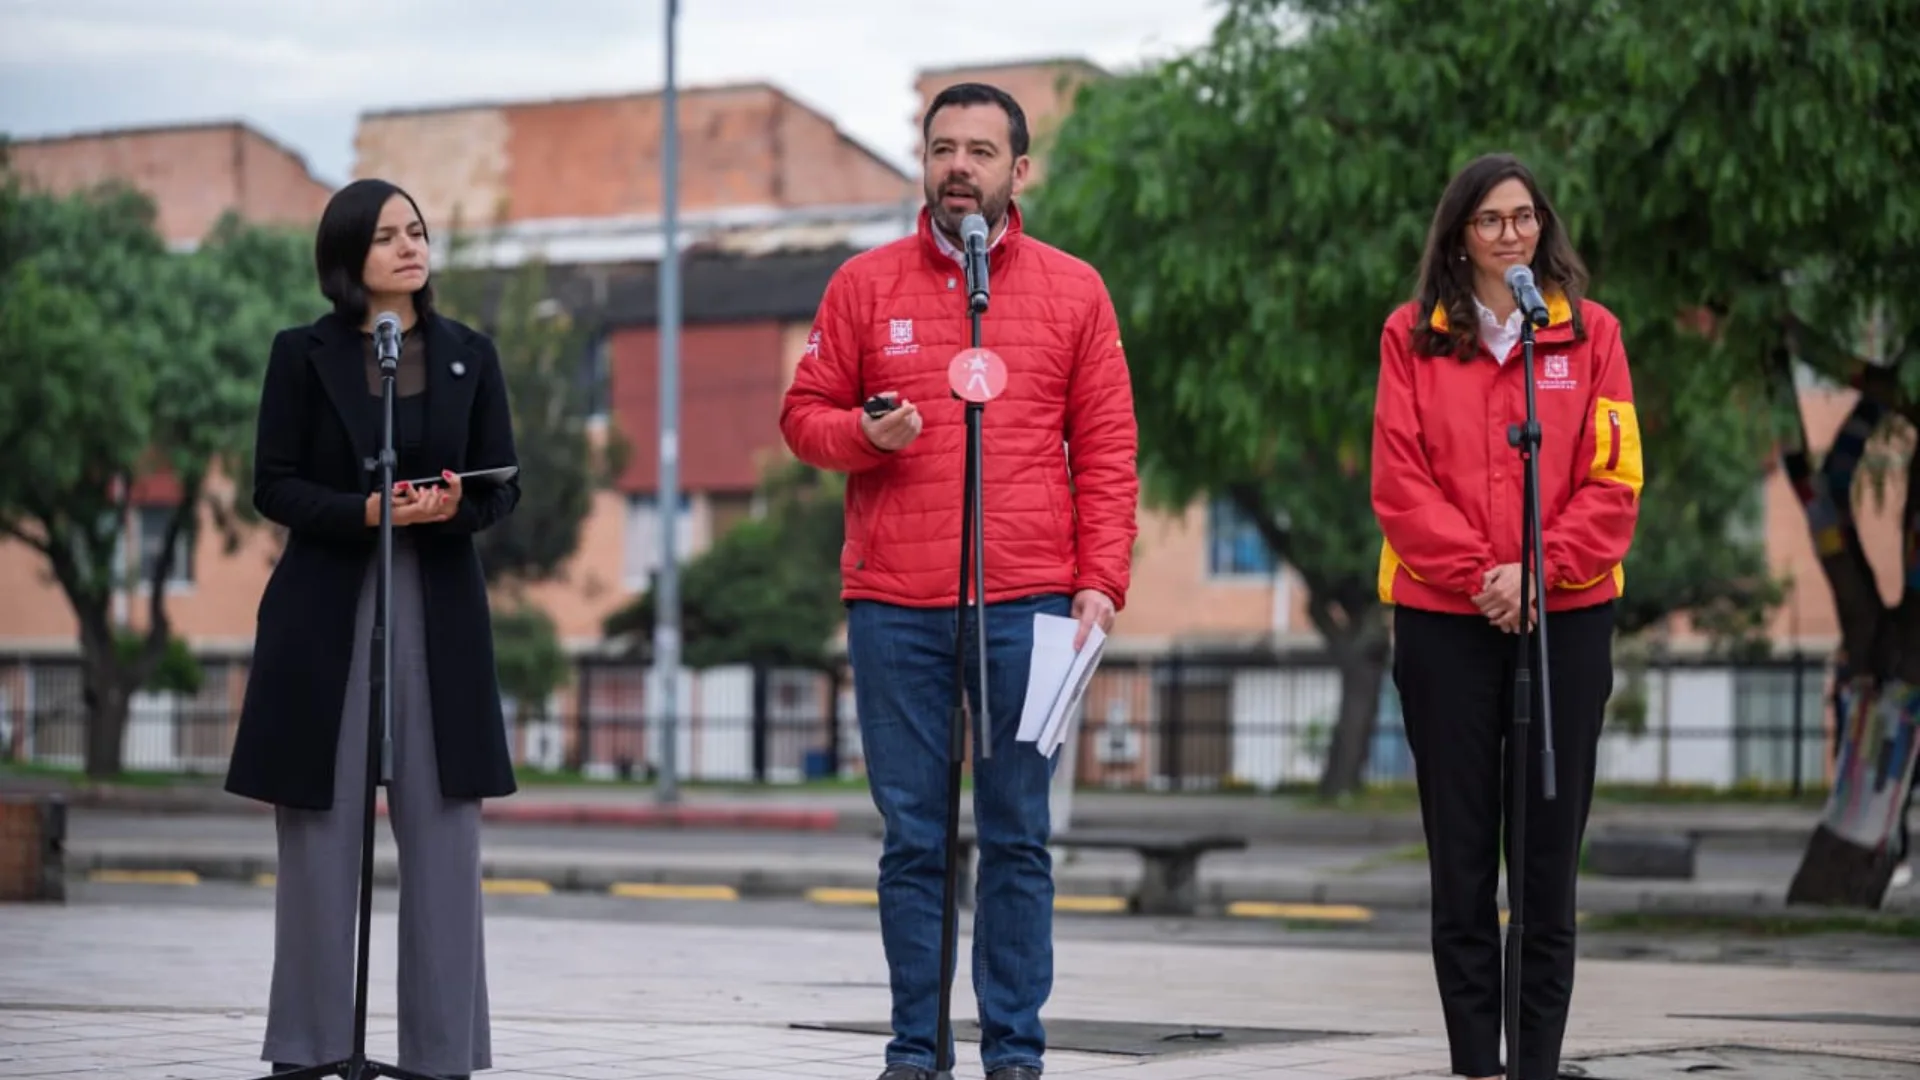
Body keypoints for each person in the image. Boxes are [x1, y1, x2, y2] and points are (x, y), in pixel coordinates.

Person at [778, 82, 1139, 1080]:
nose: (960, 168)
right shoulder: (863, 286)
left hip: (1032, 609)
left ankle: (1015, 1053)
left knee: (1019, 838)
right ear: (924, 164)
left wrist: (1101, 580)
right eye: (944, 149)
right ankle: (914, 1051)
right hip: (896, 608)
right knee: (915, 842)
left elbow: (1108, 449)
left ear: (1019, 171)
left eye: (982, 151)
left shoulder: (1075, 291)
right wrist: (864, 434)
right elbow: (802, 415)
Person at [224, 178, 522, 1079]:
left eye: (418, 232)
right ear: (347, 256)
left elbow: (501, 483)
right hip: (327, 606)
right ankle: (309, 1050)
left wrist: (449, 505)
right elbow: (270, 484)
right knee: (317, 832)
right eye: (388, 234)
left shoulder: (470, 353)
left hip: (436, 602)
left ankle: (441, 1056)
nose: (409, 247)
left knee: (444, 834)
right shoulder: (300, 354)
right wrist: (363, 510)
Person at [1370, 152, 1642, 1080]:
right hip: (1446, 621)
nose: (1511, 233)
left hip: (1566, 618)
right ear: (1459, 236)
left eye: (1524, 216)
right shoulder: (1409, 337)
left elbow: (1616, 482)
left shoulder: (1589, 335)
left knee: (1545, 868)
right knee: (1460, 861)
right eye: (1490, 220)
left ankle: (1536, 1062)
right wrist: (1484, 576)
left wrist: (1542, 571)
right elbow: (1399, 483)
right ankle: (1474, 1067)